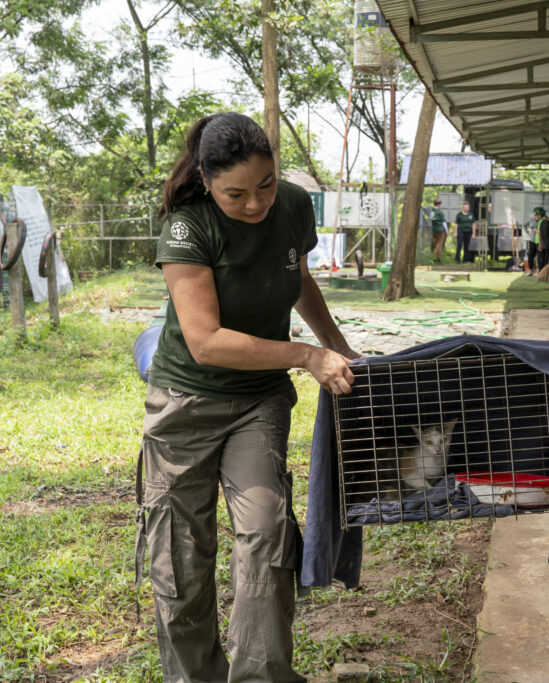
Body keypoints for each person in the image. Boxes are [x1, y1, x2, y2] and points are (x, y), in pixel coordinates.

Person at [138, 112, 360, 683]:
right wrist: (306, 355)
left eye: (264, 185)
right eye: (236, 193)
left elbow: (299, 279)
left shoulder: (291, 204)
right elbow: (207, 342)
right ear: (207, 180)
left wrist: (338, 346)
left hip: (258, 403)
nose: (256, 203)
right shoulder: (187, 228)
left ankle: (263, 677)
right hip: (185, 404)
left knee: (265, 534)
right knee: (181, 558)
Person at [525, 206, 544, 274]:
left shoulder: (542, 220)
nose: (535, 214)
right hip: (532, 240)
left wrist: (535, 230)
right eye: (534, 213)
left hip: (539, 241)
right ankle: (530, 269)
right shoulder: (531, 219)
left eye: (536, 213)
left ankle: (538, 270)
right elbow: (524, 225)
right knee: (530, 255)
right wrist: (527, 232)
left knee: (539, 256)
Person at [429, 197, 447, 263]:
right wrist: (446, 231)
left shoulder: (431, 211)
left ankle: (436, 257)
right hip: (440, 230)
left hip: (433, 230)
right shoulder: (440, 212)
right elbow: (444, 222)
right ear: (439, 204)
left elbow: (430, 221)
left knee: (436, 244)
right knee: (439, 245)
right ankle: (437, 258)